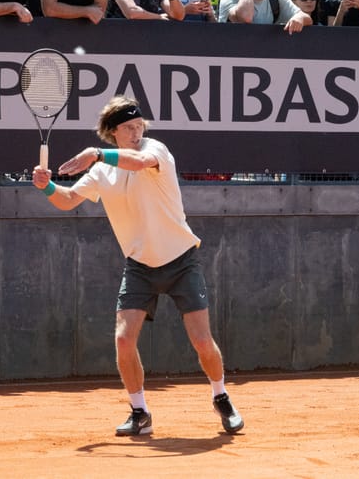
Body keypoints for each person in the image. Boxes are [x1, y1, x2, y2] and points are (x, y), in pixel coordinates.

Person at [32, 95, 245, 437]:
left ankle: (221, 397)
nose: (136, 132)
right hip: (139, 266)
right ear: (112, 132)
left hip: (181, 260)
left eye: (139, 126)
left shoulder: (155, 151)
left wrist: (97, 153)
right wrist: (47, 187)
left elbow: (139, 161)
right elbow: (68, 199)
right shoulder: (102, 172)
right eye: (128, 128)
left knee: (202, 341)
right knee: (123, 340)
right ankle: (140, 411)